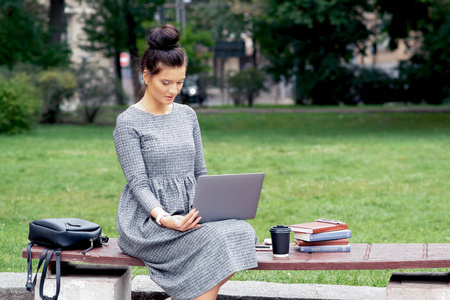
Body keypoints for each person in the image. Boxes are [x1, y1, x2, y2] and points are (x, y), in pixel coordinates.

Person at [112, 24, 258, 300]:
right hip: (149, 221)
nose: (174, 90)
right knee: (215, 240)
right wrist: (166, 219)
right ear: (146, 76)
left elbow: (200, 171)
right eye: (165, 82)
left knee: (242, 231)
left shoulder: (187, 115)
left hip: (191, 212)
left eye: (180, 82)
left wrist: (209, 208)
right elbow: (139, 183)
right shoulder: (128, 122)